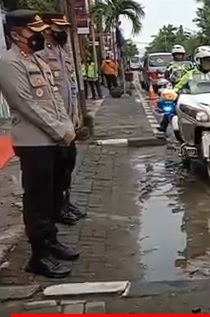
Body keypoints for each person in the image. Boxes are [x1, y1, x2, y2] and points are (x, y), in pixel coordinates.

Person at [0, 9, 80, 278]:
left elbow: (55, 98)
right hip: (34, 143)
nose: (38, 35)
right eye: (31, 31)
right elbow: (26, 105)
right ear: (15, 34)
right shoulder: (10, 63)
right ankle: (38, 256)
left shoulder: (36, 60)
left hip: (53, 139)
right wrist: (60, 131)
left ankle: (51, 242)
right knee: (37, 200)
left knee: (52, 196)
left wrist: (67, 126)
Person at [38, 11, 87, 224]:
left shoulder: (62, 51)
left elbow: (71, 85)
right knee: (57, 169)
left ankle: (65, 202)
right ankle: (57, 208)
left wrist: (76, 112)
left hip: (69, 120)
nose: (63, 32)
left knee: (68, 164)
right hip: (55, 124)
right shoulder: (40, 52)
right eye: (59, 28)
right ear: (48, 28)